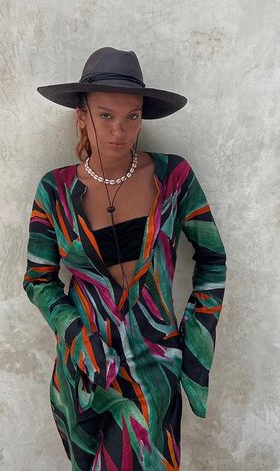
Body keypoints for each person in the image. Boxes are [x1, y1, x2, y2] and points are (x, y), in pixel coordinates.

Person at [23, 47, 227, 470]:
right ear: (82, 116)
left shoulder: (174, 179)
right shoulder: (54, 191)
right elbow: (39, 280)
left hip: (154, 369)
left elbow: (213, 259)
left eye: (132, 116)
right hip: (83, 374)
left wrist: (192, 342)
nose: (120, 130)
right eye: (105, 115)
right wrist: (77, 335)